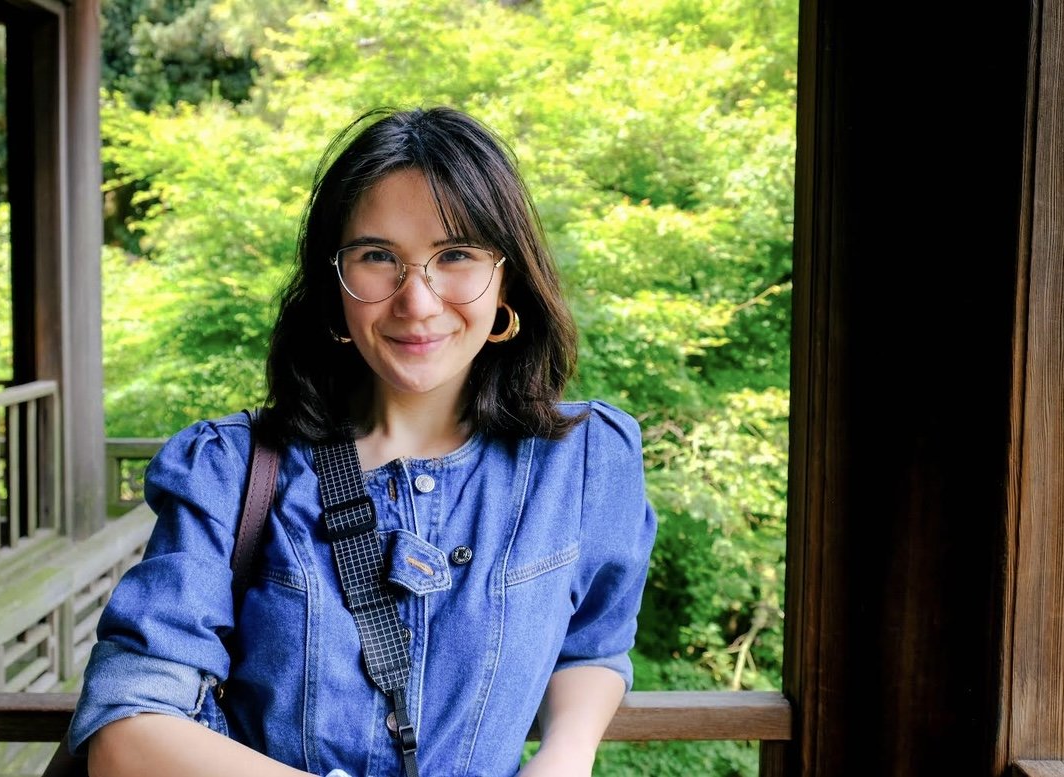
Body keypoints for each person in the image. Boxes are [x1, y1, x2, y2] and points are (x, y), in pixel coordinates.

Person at [69, 106, 657, 777]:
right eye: (379, 256)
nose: (418, 300)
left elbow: (592, 645)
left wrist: (566, 752)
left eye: (456, 255)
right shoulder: (231, 471)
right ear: (335, 284)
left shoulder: (581, 460)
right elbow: (126, 731)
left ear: (507, 279)